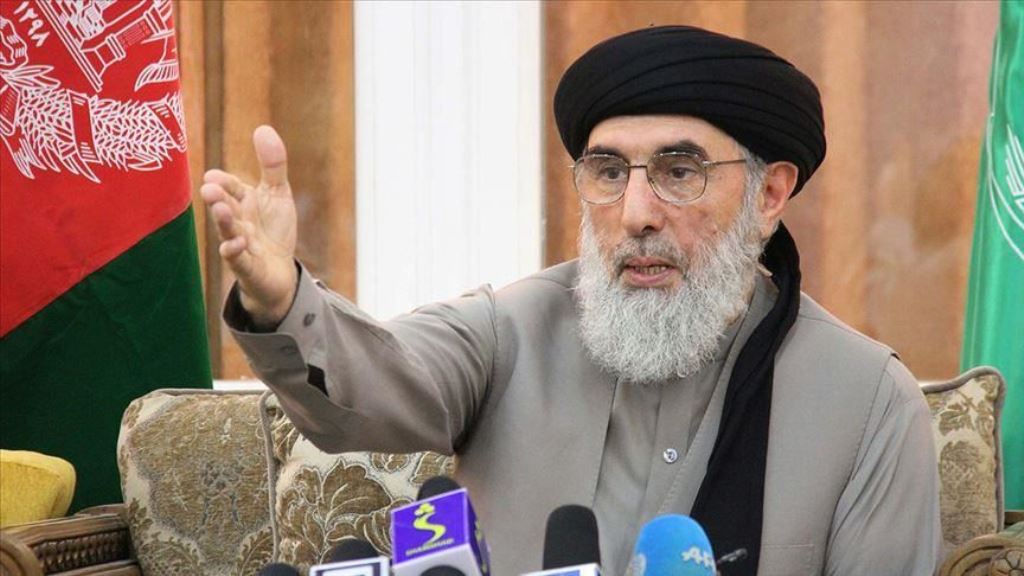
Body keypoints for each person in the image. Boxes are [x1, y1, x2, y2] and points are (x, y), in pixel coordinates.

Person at [201, 26, 941, 576]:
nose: (637, 212)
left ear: (769, 194)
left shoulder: (868, 402)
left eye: (679, 172)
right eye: (610, 172)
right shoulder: (512, 332)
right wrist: (282, 298)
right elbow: (373, 382)